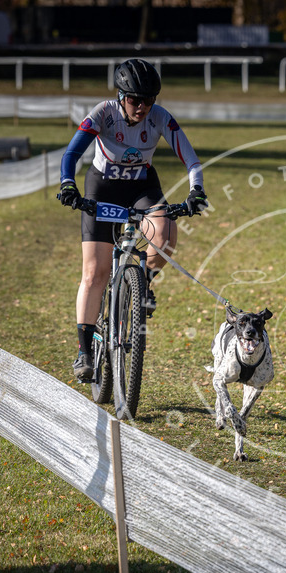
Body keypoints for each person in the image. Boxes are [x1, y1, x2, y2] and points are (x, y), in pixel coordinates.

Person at [58, 58, 208, 384]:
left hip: (142, 188)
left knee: (165, 231)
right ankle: (85, 351)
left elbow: (191, 159)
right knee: (94, 272)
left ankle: (144, 282)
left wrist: (197, 190)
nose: (142, 107)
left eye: (149, 100)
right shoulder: (104, 113)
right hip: (102, 189)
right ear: (121, 95)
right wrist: (67, 183)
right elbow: (71, 154)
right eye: (135, 100)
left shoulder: (160, 118)